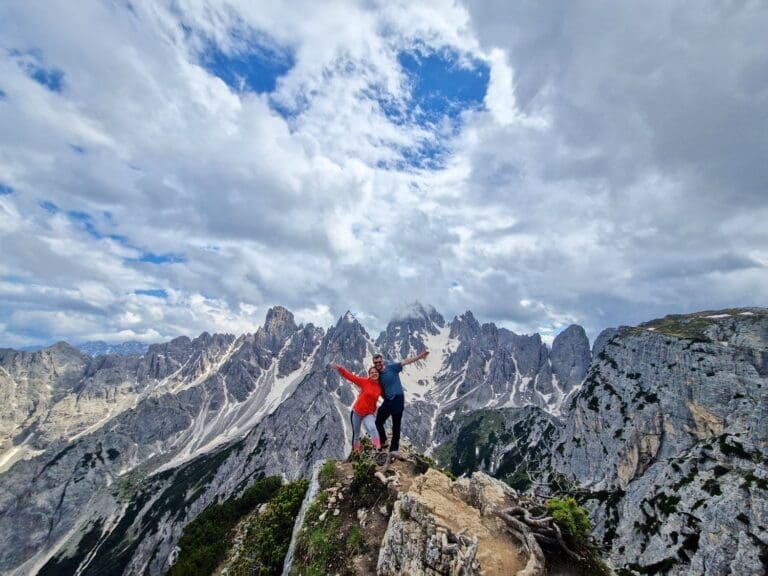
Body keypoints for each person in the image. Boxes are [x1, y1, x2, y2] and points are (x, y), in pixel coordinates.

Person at [373, 350, 429, 456]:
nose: (378, 364)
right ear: (374, 364)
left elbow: (406, 362)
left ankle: (394, 449)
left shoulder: (392, 368)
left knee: (396, 425)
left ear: (382, 361)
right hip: (388, 400)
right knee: (378, 421)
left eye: (379, 362)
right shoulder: (376, 375)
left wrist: (420, 356)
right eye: (375, 363)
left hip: (398, 399)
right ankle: (384, 441)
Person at [330, 362, 382, 453]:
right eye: (372, 372)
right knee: (356, 434)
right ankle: (356, 453)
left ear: (378, 373)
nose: (374, 373)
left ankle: (378, 449)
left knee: (373, 428)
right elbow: (352, 377)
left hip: (368, 413)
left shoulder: (380, 387)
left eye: (375, 372)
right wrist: (340, 368)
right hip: (357, 412)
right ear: (369, 375)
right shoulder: (365, 382)